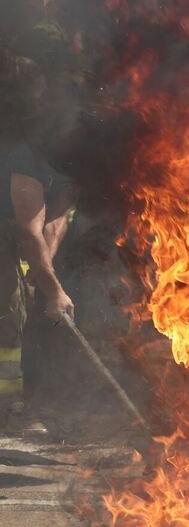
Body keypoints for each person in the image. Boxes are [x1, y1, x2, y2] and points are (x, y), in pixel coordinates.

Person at [0, 57, 76, 432]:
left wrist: (40, 275)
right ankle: (7, 410)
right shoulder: (20, 153)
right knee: (7, 317)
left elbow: (54, 220)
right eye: (40, 91)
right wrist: (54, 292)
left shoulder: (25, 145)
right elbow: (30, 231)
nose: (45, 100)